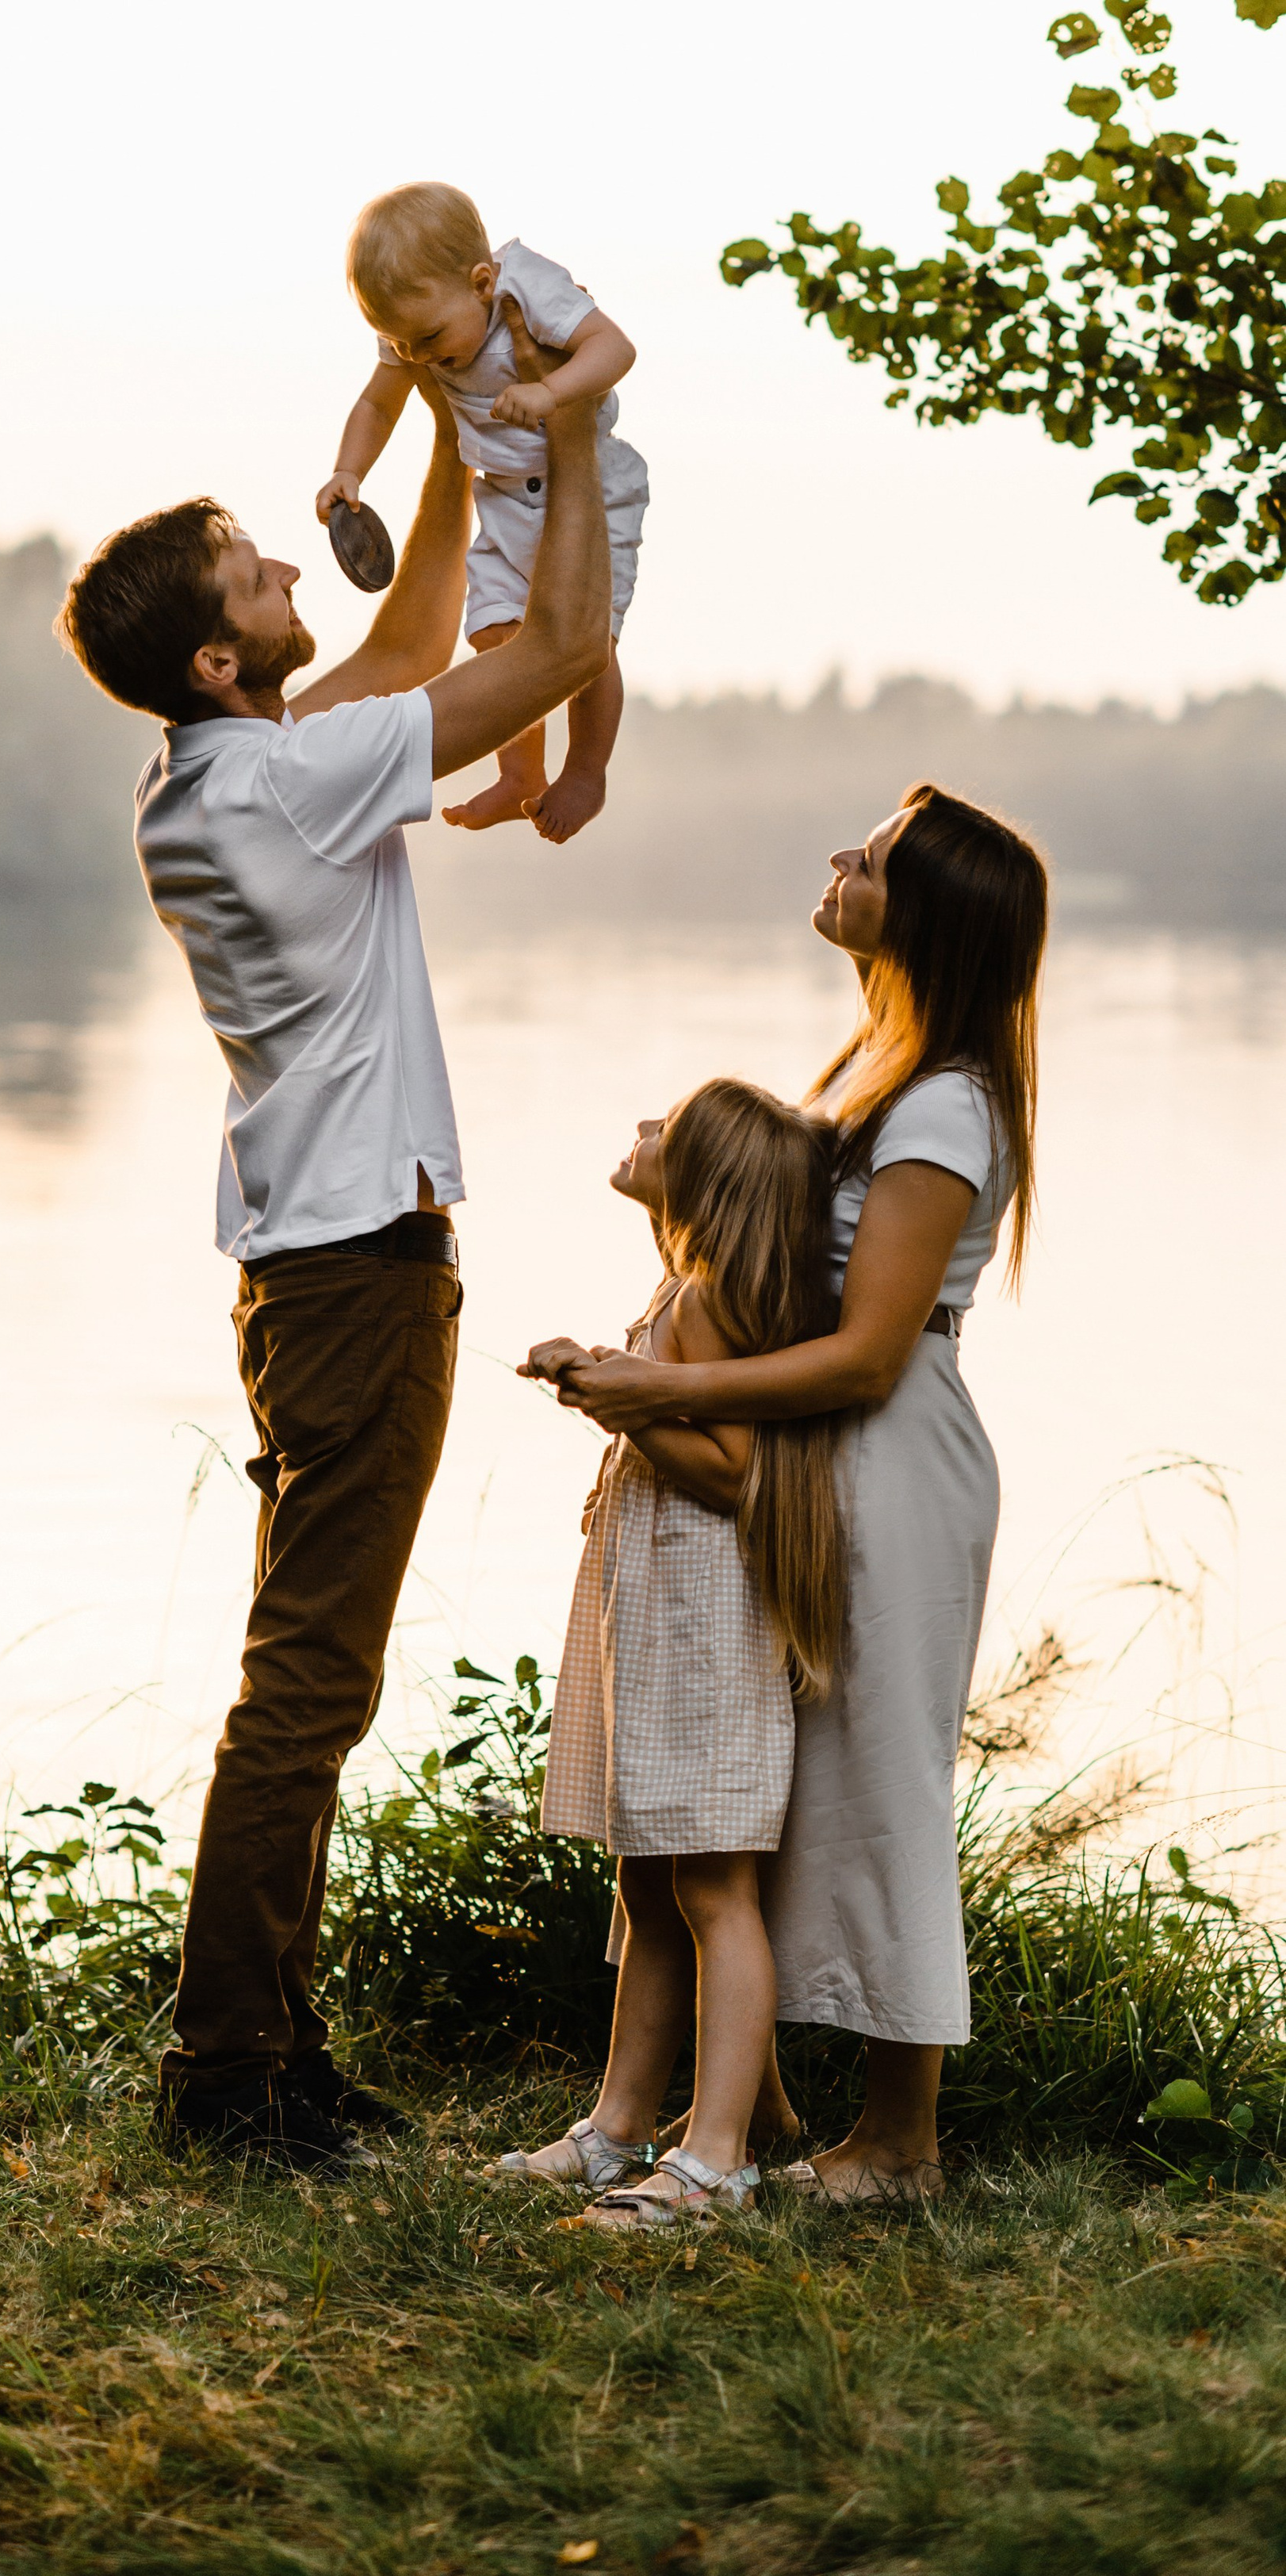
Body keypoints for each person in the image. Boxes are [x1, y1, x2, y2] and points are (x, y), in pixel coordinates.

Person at [55, 322, 612, 2175]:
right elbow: (550, 648)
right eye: (251, 571)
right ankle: (228, 2080)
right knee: (307, 1683)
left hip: (312, 1272)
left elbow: (413, 633)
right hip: (355, 1277)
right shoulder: (284, 781)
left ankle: (274, 2056)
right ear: (218, 659)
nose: (288, 566)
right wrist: (564, 422)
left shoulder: (221, 772)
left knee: (308, 1675)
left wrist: (452, 422)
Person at [541, 786, 1047, 2204]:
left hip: (888, 1457)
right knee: (767, 1782)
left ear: (926, 913)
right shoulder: (877, 1066)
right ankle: (740, 2105)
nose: (841, 860)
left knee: (882, 1785)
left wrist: (656, 1394)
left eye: (871, 860)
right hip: (813, 1451)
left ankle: (898, 2142)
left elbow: (871, 1347)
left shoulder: (945, 1103)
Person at [499, 1080, 847, 2229]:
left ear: (701, 1180)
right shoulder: (680, 1290)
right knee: (648, 1878)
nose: (644, 1127)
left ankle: (717, 2157)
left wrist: (622, 1405)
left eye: (667, 1130)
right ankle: (617, 2128)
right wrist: (603, 1376)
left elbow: (739, 1474)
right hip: (659, 1620)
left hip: (705, 1627)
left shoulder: (703, 1305)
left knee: (711, 1886)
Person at [316, 181, 649, 843]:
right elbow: (378, 403)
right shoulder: (416, 329)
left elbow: (615, 349)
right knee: (496, 632)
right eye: (400, 344)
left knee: (587, 641)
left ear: (480, 283)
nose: (417, 357)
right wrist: (349, 470)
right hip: (503, 494)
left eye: (428, 338)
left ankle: (587, 772)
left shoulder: (528, 288)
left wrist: (553, 392)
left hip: (592, 486)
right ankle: (520, 771)